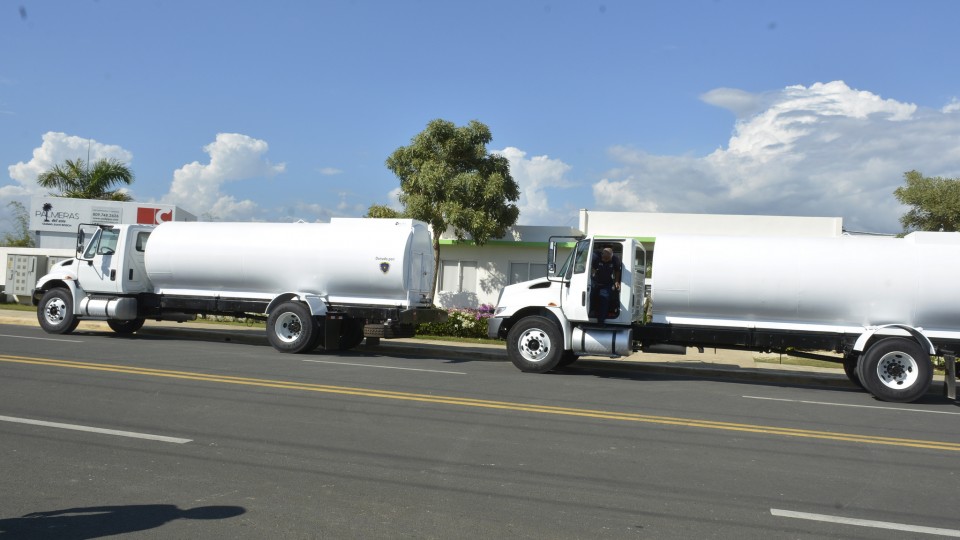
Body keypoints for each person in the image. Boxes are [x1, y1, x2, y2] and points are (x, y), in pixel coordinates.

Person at [591, 247, 621, 324]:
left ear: (611, 256)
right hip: (595, 281)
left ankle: (601, 321)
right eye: (605, 259)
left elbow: (617, 270)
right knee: (591, 297)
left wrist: (617, 281)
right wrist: (593, 274)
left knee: (604, 299)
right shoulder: (595, 258)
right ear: (602, 256)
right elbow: (591, 269)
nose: (606, 261)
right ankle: (590, 314)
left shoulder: (615, 259)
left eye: (608, 259)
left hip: (607, 283)